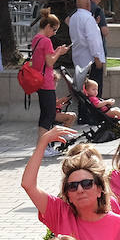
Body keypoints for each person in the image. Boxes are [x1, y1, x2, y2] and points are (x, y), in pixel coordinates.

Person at [29, 10, 69, 147]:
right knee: (49, 116)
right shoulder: (46, 41)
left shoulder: (36, 39)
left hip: (39, 81)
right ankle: (43, 146)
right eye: (54, 29)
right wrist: (59, 52)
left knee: (45, 115)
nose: (54, 33)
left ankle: (43, 145)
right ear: (47, 27)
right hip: (46, 83)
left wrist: (56, 51)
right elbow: (50, 62)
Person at [69, 0, 106, 102]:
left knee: (82, 91)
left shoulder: (73, 18)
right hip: (91, 60)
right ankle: (93, 116)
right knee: (93, 92)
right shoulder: (88, 19)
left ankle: (84, 115)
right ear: (88, 5)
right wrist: (97, 58)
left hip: (79, 58)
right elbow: (92, 41)